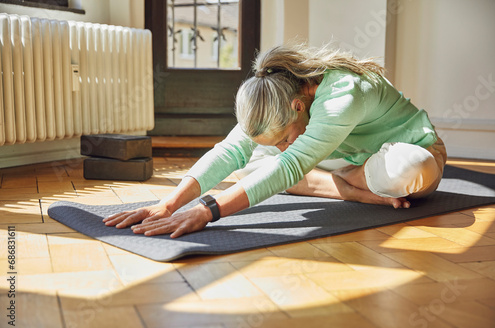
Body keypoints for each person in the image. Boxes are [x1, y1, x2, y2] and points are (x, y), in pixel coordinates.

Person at [103, 44, 447, 238]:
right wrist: (168, 203)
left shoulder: (341, 95)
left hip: (407, 153)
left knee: (408, 169)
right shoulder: (274, 95)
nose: (283, 145)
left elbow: (291, 164)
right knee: (253, 163)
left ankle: (349, 183)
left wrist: (207, 210)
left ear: (298, 106)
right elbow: (230, 150)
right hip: (344, 158)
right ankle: (355, 189)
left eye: (284, 138)